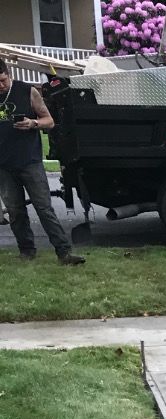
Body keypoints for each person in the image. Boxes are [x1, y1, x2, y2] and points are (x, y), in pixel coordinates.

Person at [0, 58, 84, 265]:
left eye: (2, 81)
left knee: (44, 208)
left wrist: (33, 123)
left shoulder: (27, 91)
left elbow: (50, 121)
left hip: (30, 161)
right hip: (4, 165)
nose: (0, 86)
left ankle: (64, 252)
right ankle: (26, 250)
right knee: (15, 211)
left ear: (9, 74)